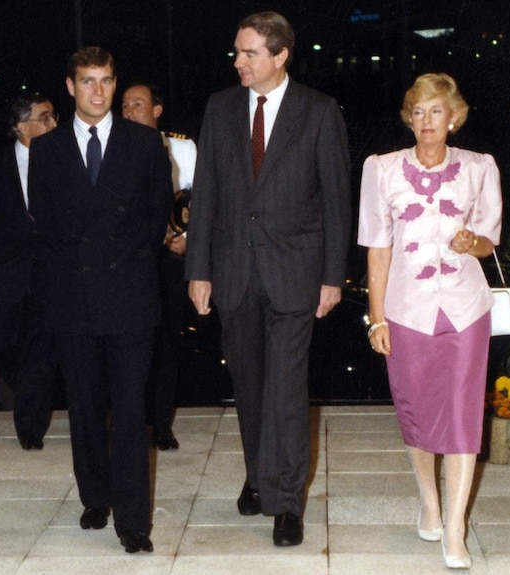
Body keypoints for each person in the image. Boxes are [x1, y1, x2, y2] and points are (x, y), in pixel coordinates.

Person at [185, 11, 351, 547]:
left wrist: (332, 277)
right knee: (249, 385)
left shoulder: (319, 111)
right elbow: (205, 192)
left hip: (295, 273)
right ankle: (258, 478)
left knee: (285, 387)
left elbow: (336, 201)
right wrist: (199, 270)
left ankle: (286, 502)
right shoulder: (220, 107)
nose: (238, 62)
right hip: (234, 270)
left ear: (280, 56)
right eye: (237, 51)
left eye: (249, 53)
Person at [28, 46, 172, 554]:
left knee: (131, 408)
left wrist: (120, 254)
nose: (97, 91)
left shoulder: (145, 142)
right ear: (70, 87)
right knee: (85, 404)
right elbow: (41, 223)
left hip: (130, 293)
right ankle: (95, 494)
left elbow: (156, 218)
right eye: (87, 81)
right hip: (71, 296)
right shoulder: (45, 151)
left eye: (106, 81)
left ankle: (134, 520)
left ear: (115, 83)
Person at [358, 72, 502, 570]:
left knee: (463, 415)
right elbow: (378, 250)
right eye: (417, 112)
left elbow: (489, 241)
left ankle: (456, 526)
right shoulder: (381, 169)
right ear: (409, 119)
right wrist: (376, 320)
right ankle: (430, 502)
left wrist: (472, 243)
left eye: (436, 111)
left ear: (454, 118)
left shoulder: (480, 168)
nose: (426, 121)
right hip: (406, 311)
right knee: (416, 410)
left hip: (465, 308)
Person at [0, 93, 59, 449]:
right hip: (6, 271)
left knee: (41, 347)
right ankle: (28, 390)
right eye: (46, 118)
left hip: (49, 271)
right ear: (23, 127)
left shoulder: (63, 159)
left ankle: (30, 426)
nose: (54, 124)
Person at [121, 82, 197, 450]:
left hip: (168, 259)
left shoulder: (182, 147)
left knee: (167, 340)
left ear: (157, 110)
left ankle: (162, 423)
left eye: (138, 104)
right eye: (125, 105)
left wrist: (190, 239)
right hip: (127, 261)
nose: (129, 111)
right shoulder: (111, 148)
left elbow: (200, 199)